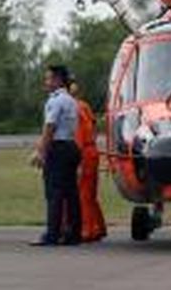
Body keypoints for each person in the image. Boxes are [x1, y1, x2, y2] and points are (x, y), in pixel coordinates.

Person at [30, 65, 81, 246]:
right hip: (71, 146)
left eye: (49, 79)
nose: (46, 82)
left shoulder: (56, 100)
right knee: (71, 192)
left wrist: (41, 151)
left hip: (58, 148)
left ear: (58, 80)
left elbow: (50, 127)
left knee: (54, 193)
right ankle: (74, 233)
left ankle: (52, 234)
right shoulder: (71, 101)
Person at [69, 79, 106, 242]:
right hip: (91, 150)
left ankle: (86, 229)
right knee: (90, 193)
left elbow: (78, 136)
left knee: (82, 193)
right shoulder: (84, 105)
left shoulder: (73, 108)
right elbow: (94, 126)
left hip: (83, 151)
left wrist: (76, 161)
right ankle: (97, 226)